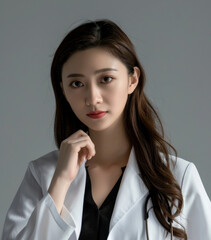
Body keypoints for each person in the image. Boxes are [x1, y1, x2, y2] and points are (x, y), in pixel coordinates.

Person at [2, 19, 211, 240]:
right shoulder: (42, 174)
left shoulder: (178, 177)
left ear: (132, 80)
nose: (93, 98)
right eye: (77, 84)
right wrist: (61, 180)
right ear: (63, 90)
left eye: (106, 79)